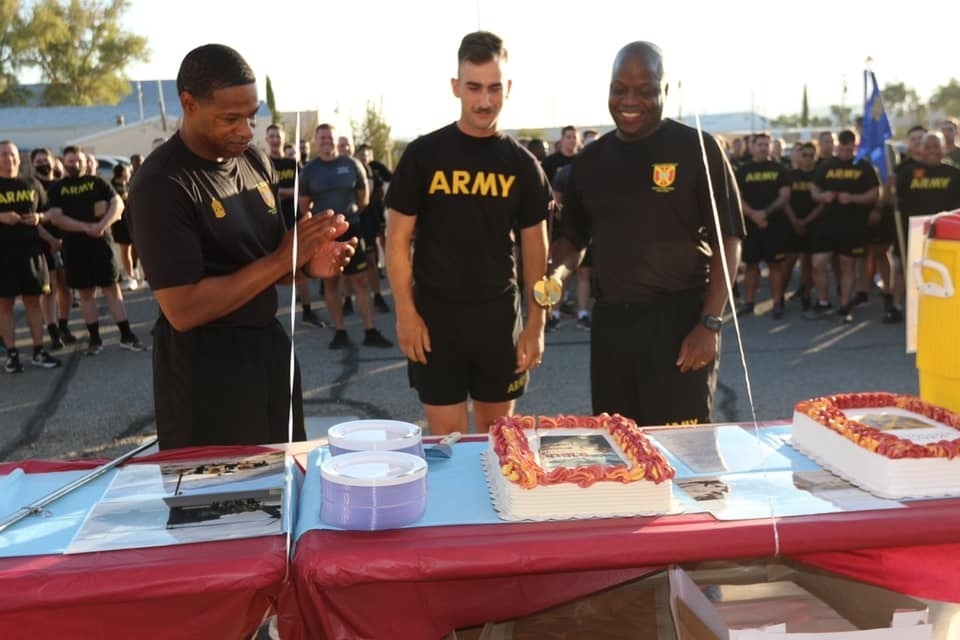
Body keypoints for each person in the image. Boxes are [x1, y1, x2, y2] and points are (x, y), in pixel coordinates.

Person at [128, 44, 355, 450]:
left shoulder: (254, 161)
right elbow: (183, 309)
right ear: (189, 104)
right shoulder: (161, 183)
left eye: (251, 118)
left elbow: (268, 261)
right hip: (203, 370)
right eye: (230, 119)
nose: (245, 131)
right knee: (220, 503)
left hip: (266, 349)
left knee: (285, 479)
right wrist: (284, 258)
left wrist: (307, 266)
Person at [549, 41, 743, 427]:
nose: (629, 100)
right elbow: (573, 238)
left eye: (645, 90)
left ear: (665, 90)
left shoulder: (698, 149)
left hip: (680, 325)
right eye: (620, 89)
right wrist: (556, 276)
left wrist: (710, 323)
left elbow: (729, 240)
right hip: (612, 330)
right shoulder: (589, 162)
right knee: (619, 448)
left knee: (684, 457)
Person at [385, 30, 551, 435]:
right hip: (434, 319)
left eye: (495, 88)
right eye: (474, 87)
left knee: (497, 444)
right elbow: (396, 240)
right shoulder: (423, 155)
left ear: (508, 88)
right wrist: (405, 313)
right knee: (449, 444)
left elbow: (536, 250)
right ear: (456, 86)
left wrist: (536, 325)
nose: (484, 100)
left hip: (497, 320)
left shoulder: (523, 165)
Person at [299, 123, 393, 350]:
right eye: (322, 138)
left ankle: (370, 330)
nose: (327, 141)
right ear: (316, 141)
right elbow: (304, 206)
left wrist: (349, 218)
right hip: (326, 234)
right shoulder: (309, 170)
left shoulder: (351, 164)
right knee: (331, 283)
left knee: (360, 281)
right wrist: (325, 225)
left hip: (352, 228)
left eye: (330, 137)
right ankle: (340, 331)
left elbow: (364, 198)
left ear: (335, 139)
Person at [46, 145, 146, 356]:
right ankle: (95, 339)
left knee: (112, 288)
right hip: (74, 248)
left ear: (85, 161)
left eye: (78, 160)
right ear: (64, 163)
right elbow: (55, 216)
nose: (75, 164)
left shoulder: (97, 182)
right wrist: (85, 227)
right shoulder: (57, 188)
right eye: (70, 160)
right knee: (86, 293)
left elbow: (117, 204)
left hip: (102, 245)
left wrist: (101, 226)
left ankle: (126, 335)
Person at [0, 140, 62, 373]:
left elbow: (48, 212)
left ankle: (38, 350)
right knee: (4, 305)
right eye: (4, 154)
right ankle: (12, 354)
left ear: (19, 158)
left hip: (31, 254)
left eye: (12, 154)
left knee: (34, 303)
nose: (9, 158)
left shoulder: (32, 183)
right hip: (3, 257)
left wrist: (39, 218)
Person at [265, 122, 325, 327]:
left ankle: (307, 311)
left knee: (300, 265)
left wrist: (278, 192)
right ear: (266, 139)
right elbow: (261, 192)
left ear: (283, 139)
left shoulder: (293, 164)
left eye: (278, 136)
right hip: (269, 222)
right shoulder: (262, 163)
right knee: (267, 268)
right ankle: (265, 313)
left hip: (293, 220)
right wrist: (285, 192)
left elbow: (301, 192)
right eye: (271, 136)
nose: (275, 140)